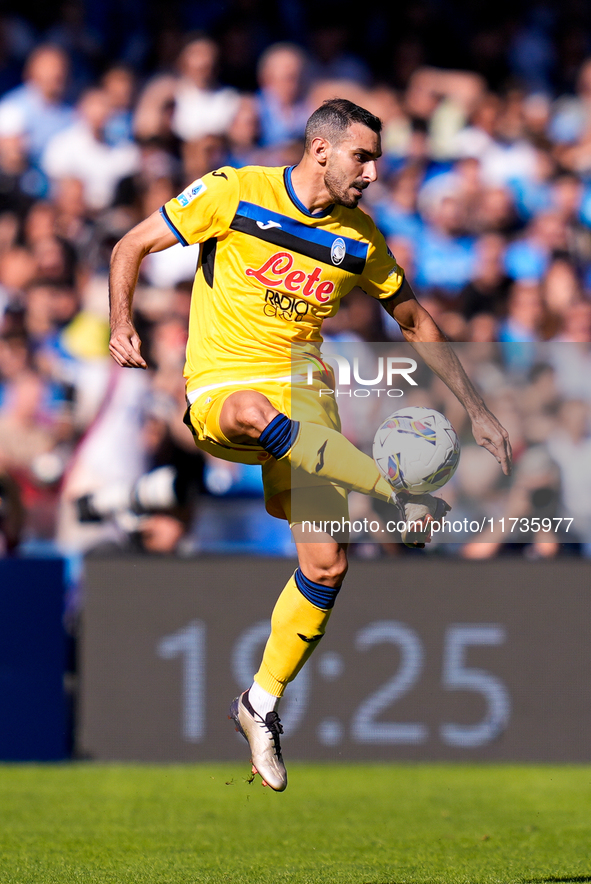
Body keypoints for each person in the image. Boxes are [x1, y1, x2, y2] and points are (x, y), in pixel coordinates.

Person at [109, 98, 512, 792]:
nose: (374, 172)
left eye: (376, 159)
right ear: (320, 150)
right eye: (363, 156)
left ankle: (258, 704)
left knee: (325, 566)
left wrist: (475, 408)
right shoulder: (236, 192)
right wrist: (122, 322)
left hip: (308, 403)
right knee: (247, 408)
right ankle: (391, 492)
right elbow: (131, 245)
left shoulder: (359, 238)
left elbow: (413, 321)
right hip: (226, 389)